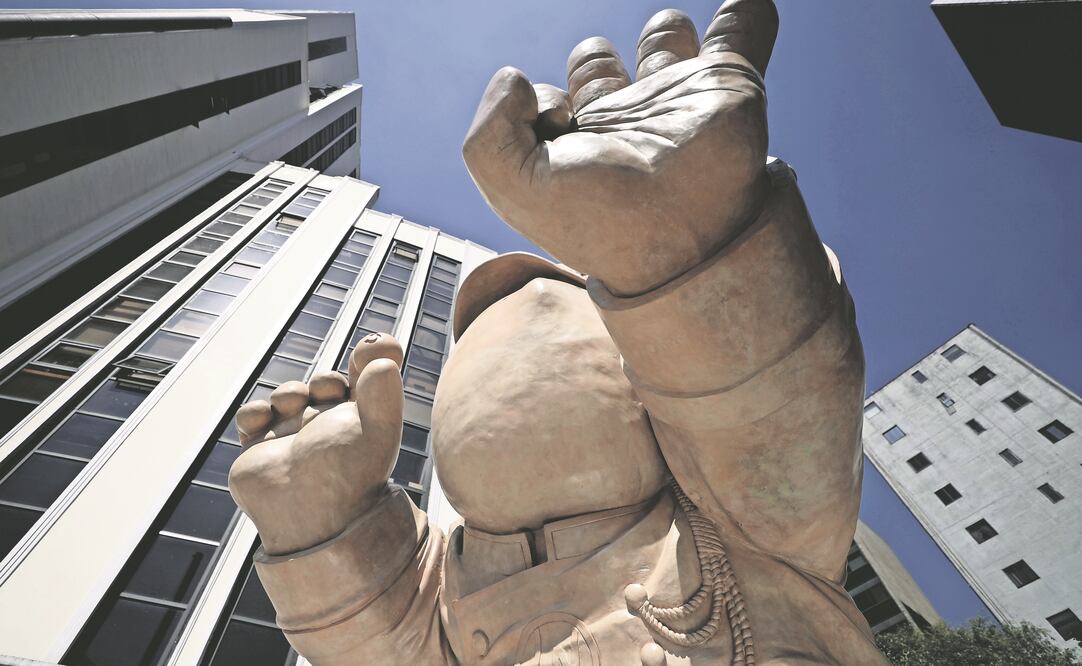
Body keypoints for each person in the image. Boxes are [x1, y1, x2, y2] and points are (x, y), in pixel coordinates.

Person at [228, 1, 889, 663]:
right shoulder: (449, 607)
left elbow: (770, 415)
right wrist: (328, 530)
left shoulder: (739, 545)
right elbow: (386, 640)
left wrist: (691, 260)